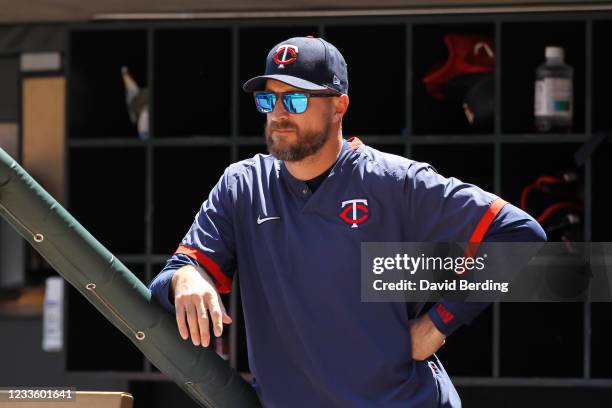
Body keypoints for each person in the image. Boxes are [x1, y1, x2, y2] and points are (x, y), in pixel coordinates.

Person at [149, 36, 546, 407]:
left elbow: (521, 234)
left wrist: (438, 323)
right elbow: (165, 283)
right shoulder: (243, 186)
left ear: (339, 106)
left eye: (298, 99)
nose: (280, 114)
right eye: (270, 101)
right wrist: (187, 276)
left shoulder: (394, 182)